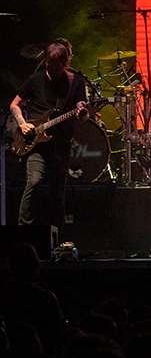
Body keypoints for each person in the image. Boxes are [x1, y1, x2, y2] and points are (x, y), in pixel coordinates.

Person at [9, 40, 89, 229]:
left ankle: (57, 237)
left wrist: (83, 111)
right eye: (48, 66)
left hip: (60, 145)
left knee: (57, 193)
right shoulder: (34, 79)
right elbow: (14, 104)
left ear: (65, 63)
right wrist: (22, 124)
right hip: (35, 143)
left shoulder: (76, 81)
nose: (51, 71)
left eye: (56, 67)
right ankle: (24, 232)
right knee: (34, 182)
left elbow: (82, 108)